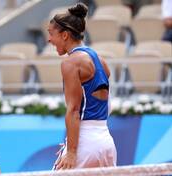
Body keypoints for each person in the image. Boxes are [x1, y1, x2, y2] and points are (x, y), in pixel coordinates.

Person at [47, 3, 117, 169]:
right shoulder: (101, 60)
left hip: (85, 143)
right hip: (106, 141)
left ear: (65, 35)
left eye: (51, 34)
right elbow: (107, 105)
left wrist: (72, 151)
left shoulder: (71, 62)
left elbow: (74, 111)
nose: (49, 39)